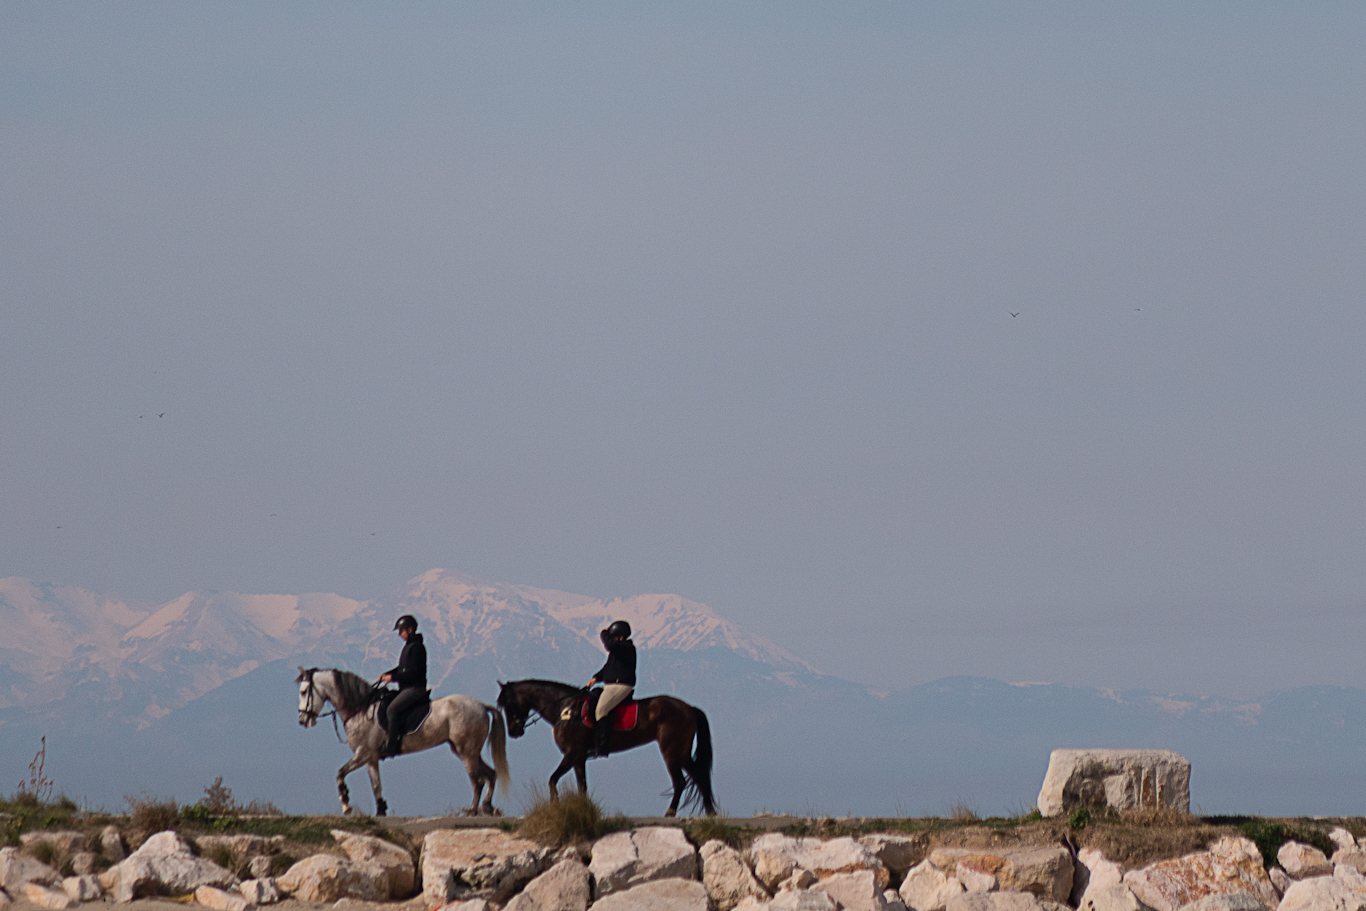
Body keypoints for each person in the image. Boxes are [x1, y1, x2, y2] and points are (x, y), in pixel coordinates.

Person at [377, 614, 427, 759]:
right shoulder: (409, 646)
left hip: (415, 688)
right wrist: (387, 674)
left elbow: (413, 673)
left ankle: (391, 746)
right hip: (406, 688)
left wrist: (392, 678)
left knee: (391, 710)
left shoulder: (417, 647)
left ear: (410, 630)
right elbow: (402, 669)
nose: (399, 634)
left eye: (401, 631)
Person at [584, 620, 635, 758]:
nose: (612, 638)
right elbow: (609, 668)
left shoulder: (626, 648)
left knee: (601, 710)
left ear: (620, 636)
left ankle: (602, 747)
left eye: (614, 636)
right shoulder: (618, 650)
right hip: (611, 685)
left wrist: (604, 633)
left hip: (621, 685)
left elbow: (609, 645)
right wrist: (596, 678)